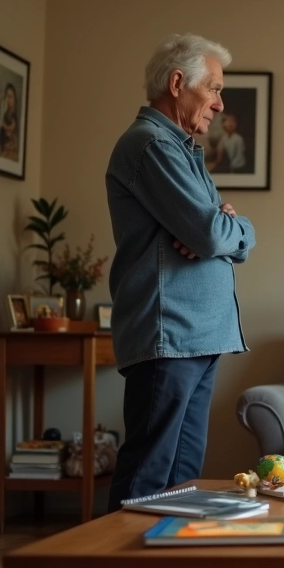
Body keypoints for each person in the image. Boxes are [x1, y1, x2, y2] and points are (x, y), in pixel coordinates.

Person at [104, 33, 255, 511]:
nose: (219, 101)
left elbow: (214, 233)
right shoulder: (151, 146)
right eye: (212, 87)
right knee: (148, 471)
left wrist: (229, 229)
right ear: (177, 83)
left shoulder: (182, 150)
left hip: (198, 336)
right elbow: (212, 234)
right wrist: (227, 229)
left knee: (181, 479)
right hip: (170, 333)